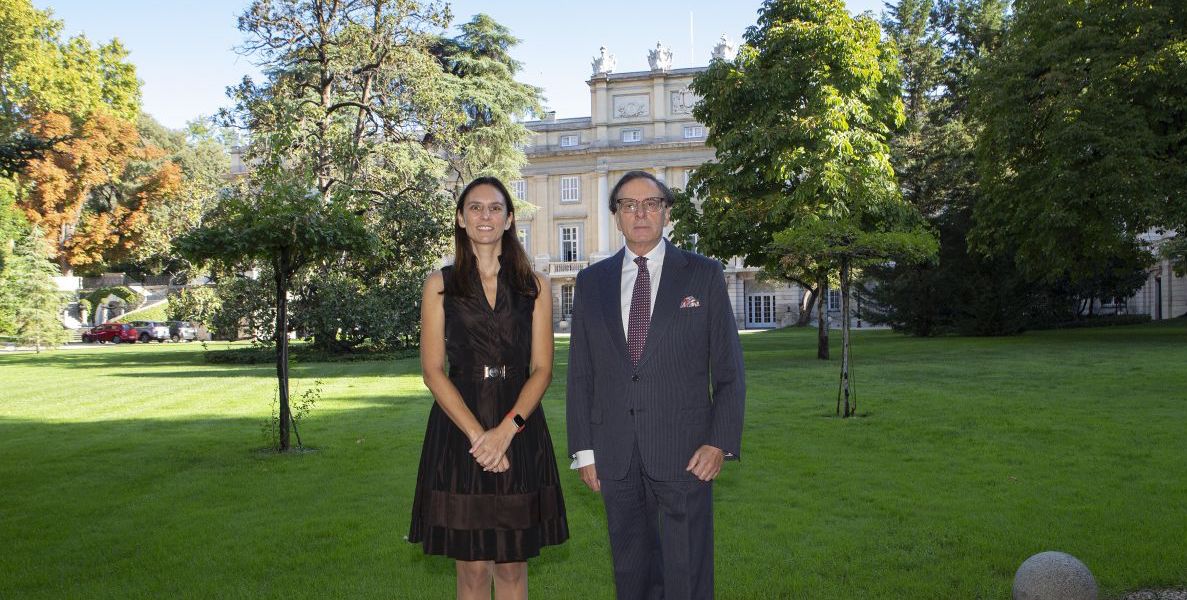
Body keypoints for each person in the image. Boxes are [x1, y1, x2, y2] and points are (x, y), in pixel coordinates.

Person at [566, 170, 745, 600]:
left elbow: (729, 370)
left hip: (687, 455)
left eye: (650, 204)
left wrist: (719, 442)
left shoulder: (702, 275)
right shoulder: (592, 283)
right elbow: (580, 375)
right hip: (616, 456)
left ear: (666, 213)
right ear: (616, 216)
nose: (640, 213)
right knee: (631, 578)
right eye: (629, 205)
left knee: (688, 578)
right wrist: (585, 451)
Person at [409, 177, 569, 600]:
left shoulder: (535, 286)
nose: (485, 216)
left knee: (513, 566)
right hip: (460, 431)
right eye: (475, 208)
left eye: (495, 208)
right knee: (473, 569)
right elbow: (432, 371)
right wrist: (480, 437)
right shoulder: (439, 285)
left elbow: (542, 370)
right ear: (461, 219)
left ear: (509, 218)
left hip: (519, 428)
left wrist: (505, 431)